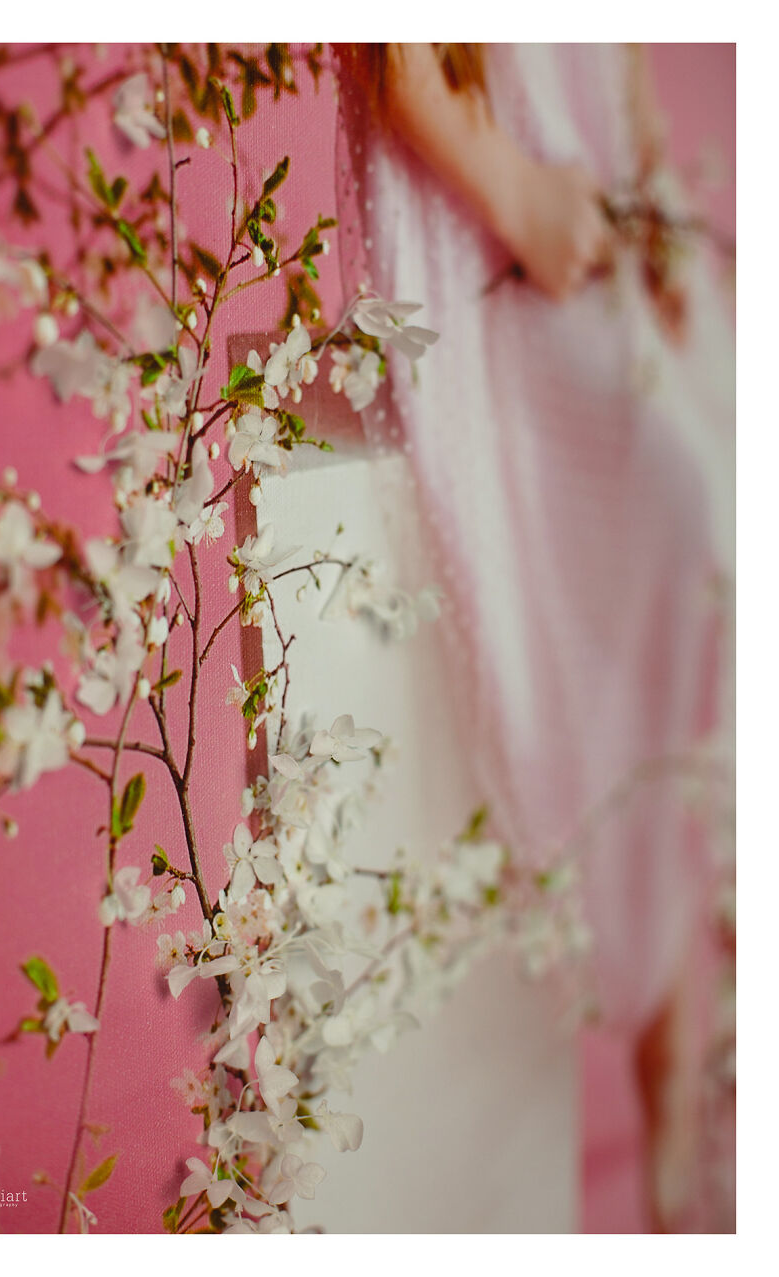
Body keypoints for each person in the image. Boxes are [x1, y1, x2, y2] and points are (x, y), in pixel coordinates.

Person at [332, 42, 734, 1232]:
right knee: (693, 514)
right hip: (498, 230)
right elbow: (398, 63)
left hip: (604, 214)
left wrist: (654, 194)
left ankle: (699, 1018)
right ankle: (680, 1035)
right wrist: (515, 193)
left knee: (723, 485)